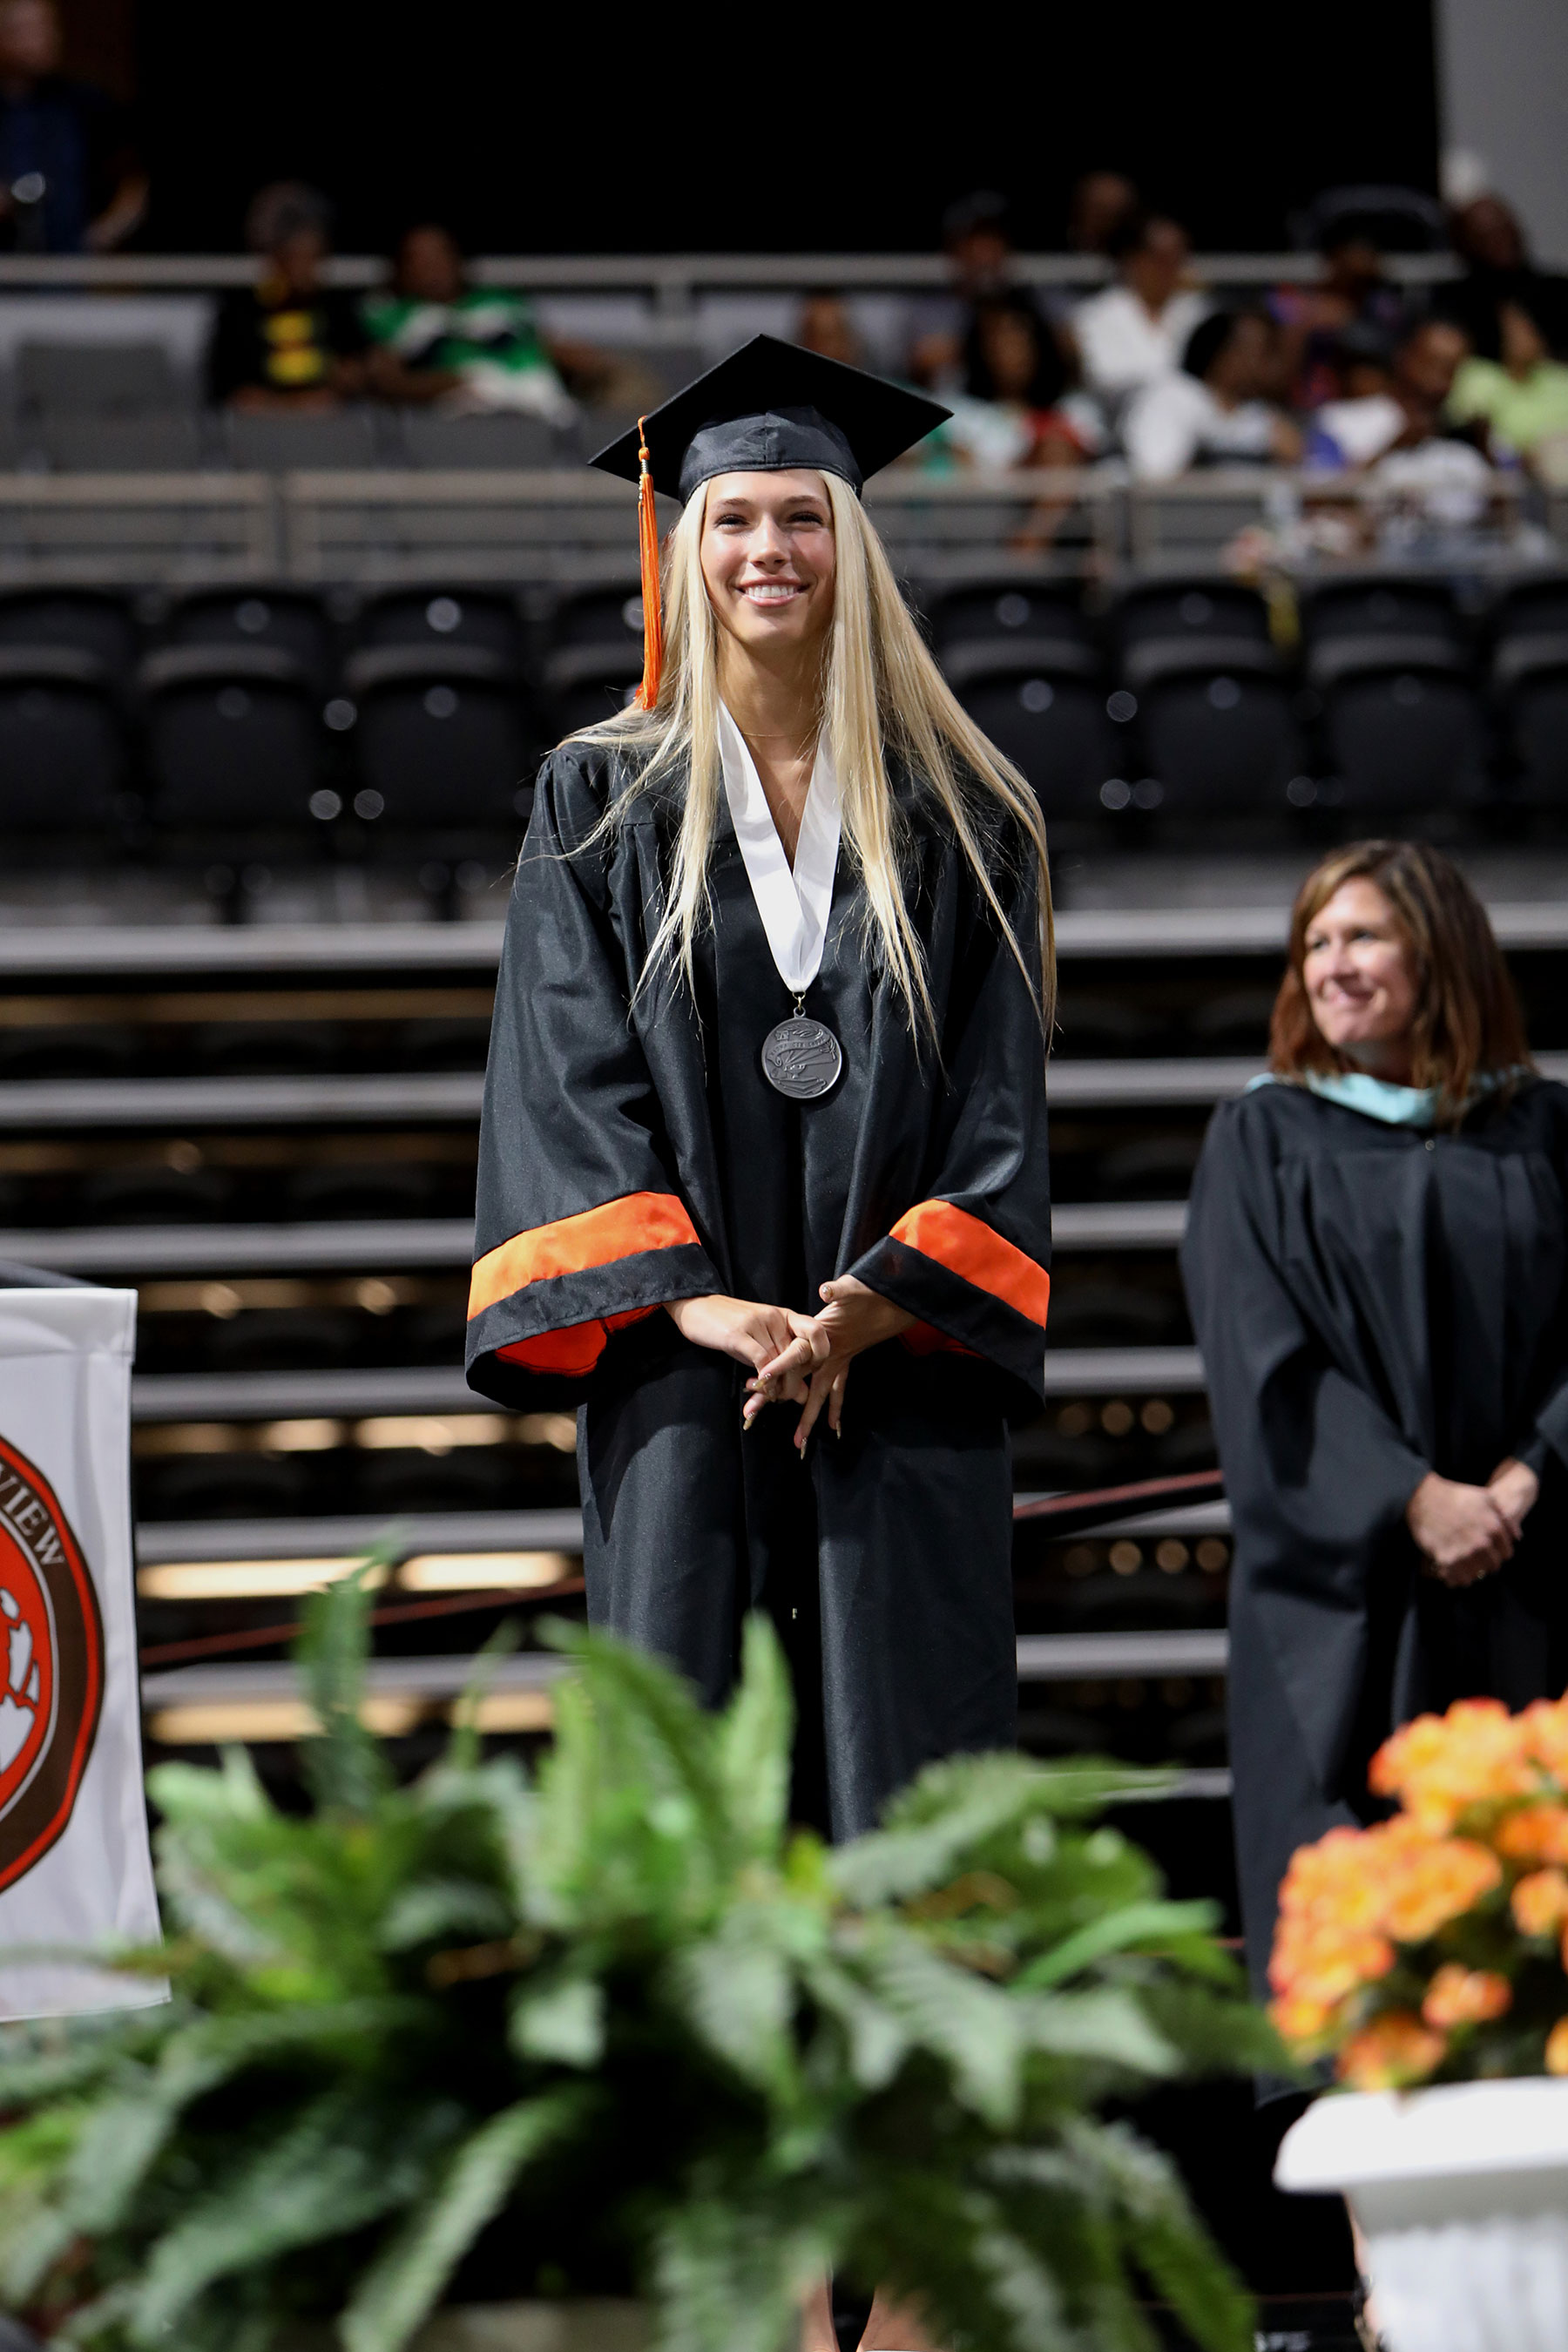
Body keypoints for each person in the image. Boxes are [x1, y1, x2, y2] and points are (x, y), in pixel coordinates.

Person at [465, 335, 1053, 1854]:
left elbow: (1000, 1105)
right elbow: (565, 1072)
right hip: (687, 1377)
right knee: (686, 1784)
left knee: (904, 1777)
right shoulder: (598, 799)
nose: (767, 549)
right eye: (733, 518)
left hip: (898, 1366)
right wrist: (697, 1308)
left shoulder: (967, 812)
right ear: (685, 546)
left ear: (851, 542)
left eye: (801, 515)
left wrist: (865, 1307)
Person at [1182, 841, 1568, 2024]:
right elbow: (1262, 1359)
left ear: (1439, 954)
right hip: (1346, 1612)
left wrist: (1530, 1475)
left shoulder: (1543, 1128)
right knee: (1368, 1991)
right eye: (1317, 942)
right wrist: (1413, 1498)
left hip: (1536, 1578)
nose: (1333, 966)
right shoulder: (1263, 1140)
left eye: (1364, 937)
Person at [362, 224, 578, 422]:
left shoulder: (501, 301)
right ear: (400, 269)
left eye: (440, 255)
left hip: (543, 402)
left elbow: (547, 346)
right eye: (418, 259)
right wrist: (463, 381)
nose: (432, 267)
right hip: (463, 417)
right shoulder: (390, 315)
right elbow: (387, 382)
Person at [207, 183, 369, 412]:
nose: (304, 270)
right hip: (262, 422)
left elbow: (356, 366)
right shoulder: (240, 312)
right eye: (296, 258)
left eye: (312, 259)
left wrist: (349, 378)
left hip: (325, 422)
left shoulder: (337, 309)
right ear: (276, 260)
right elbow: (227, 386)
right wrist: (282, 406)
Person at [0, 0, 145, 253]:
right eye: (25, 29)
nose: (42, 39)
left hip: (70, 268)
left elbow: (135, 175)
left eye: (47, 27)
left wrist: (108, 231)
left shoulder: (83, 103)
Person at [1122, 308, 1301, 482]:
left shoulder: (1258, 416)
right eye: (1262, 352)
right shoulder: (1174, 397)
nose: (1273, 366)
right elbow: (1156, 477)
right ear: (1224, 357)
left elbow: (1293, 455)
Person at [1070, 211, 1208, 416]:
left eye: (1177, 259)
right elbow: (1105, 377)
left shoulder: (1198, 312)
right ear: (1132, 260)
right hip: (1115, 425)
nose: (1169, 269)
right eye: (1160, 259)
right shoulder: (1094, 315)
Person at [1435, 193, 1568, 371]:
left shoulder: (1557, 291)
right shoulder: (1452, 305)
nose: (1500, 240)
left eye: (1504, 228)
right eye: (1484, 235)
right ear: (1462, 245)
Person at [1445, 286, 1568, 465]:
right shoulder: (1474, 375)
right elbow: (1462, 428)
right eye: (1511, 327)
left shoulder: (1561, 379)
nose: (1516, 336)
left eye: (1525, 328)